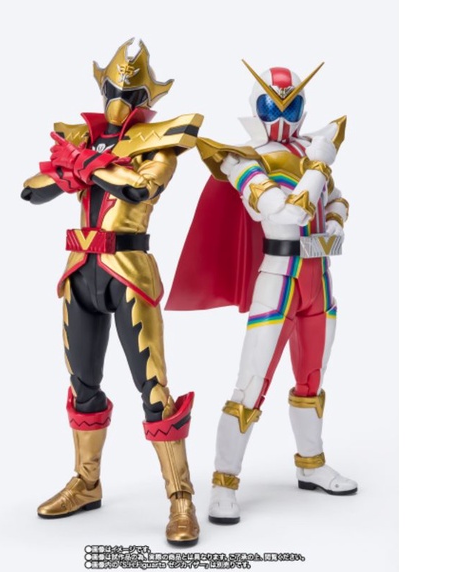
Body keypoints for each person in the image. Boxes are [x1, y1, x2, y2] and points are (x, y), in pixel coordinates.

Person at [21, 39, 203, 545]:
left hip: (129, 272)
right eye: (113, 90)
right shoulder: (83, 138)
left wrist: (85, 164)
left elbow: (139, 189)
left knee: (154, 388)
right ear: (100, 88)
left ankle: (181, 497)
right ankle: (86, 483)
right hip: (81, 272)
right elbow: (31, 189)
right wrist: (80, 161)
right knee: (83, 383)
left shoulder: (159, 144)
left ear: (150, 97)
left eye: (133, 93)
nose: (120, 100)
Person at [166, 61, 356, 524]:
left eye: (292, 106)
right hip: (278, 280)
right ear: (257, 106)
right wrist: (318, 165)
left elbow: (335, 202)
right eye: (273, 106)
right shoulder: (243, 160)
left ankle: (311, 464)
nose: (283, 116)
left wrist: (334, 221)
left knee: (312, 381)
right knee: (251, 384)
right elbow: (285, 213)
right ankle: (223, 482)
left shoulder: (312, 151)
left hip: (319, 278)